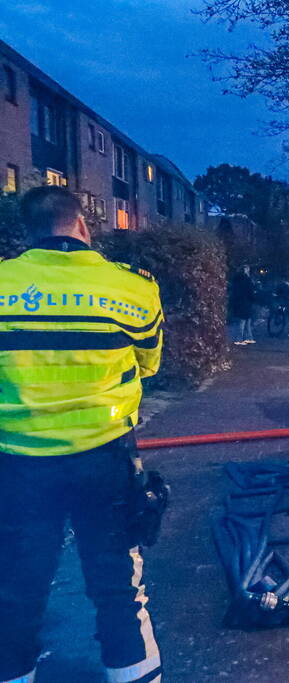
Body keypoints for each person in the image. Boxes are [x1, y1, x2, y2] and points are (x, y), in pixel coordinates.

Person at [0, 186, 165, 683]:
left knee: (17, 582)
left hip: (17, 460)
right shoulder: (133, 289)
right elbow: (149, 363)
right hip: (104, 456)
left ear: (27, 232)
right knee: (116, 578)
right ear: (83, 226)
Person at [229, 265, 256, 345]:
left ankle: (249, 338)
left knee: (245, 320)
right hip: (246, 302)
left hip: (239, 302)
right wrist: (254, 298)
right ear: (246, 270)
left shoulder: (236, 279)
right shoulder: (247, 280)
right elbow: (250, 292)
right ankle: (239, 339)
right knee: (244, 321)